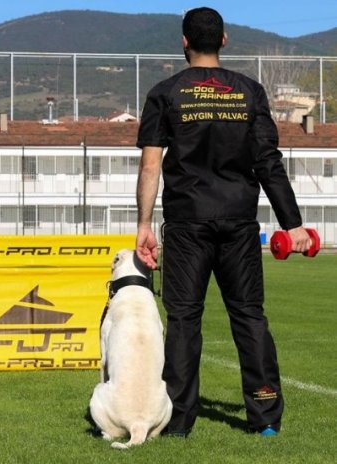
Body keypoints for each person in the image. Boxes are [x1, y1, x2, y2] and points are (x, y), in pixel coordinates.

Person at [135, 7, 311, 437]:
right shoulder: (249, 92)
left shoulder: (165, 92)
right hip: (238, 222)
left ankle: (176, 422)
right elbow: (269, 162)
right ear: (225, 40)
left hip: (187, 223)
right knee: (249, 317)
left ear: (183, 41)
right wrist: (293, 225)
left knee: (184, 321)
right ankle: (266, 418)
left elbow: (150, 167)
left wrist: (143, 225)